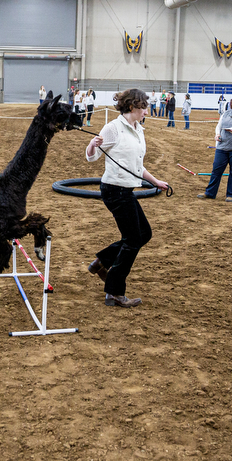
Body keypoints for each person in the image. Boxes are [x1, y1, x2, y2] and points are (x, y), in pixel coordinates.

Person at [85, 88, 168, 308]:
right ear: (132, 106)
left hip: (126, 189)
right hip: (115, 190)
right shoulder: (113, 128)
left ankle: (101, 263)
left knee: (143, 234)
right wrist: (92, 145)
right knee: (133, 239)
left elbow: (136, 165)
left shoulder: (138, 129)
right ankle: (113, 292)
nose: (146, 111)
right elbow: (93, 157)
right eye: (144, 107)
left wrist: (156, 181)